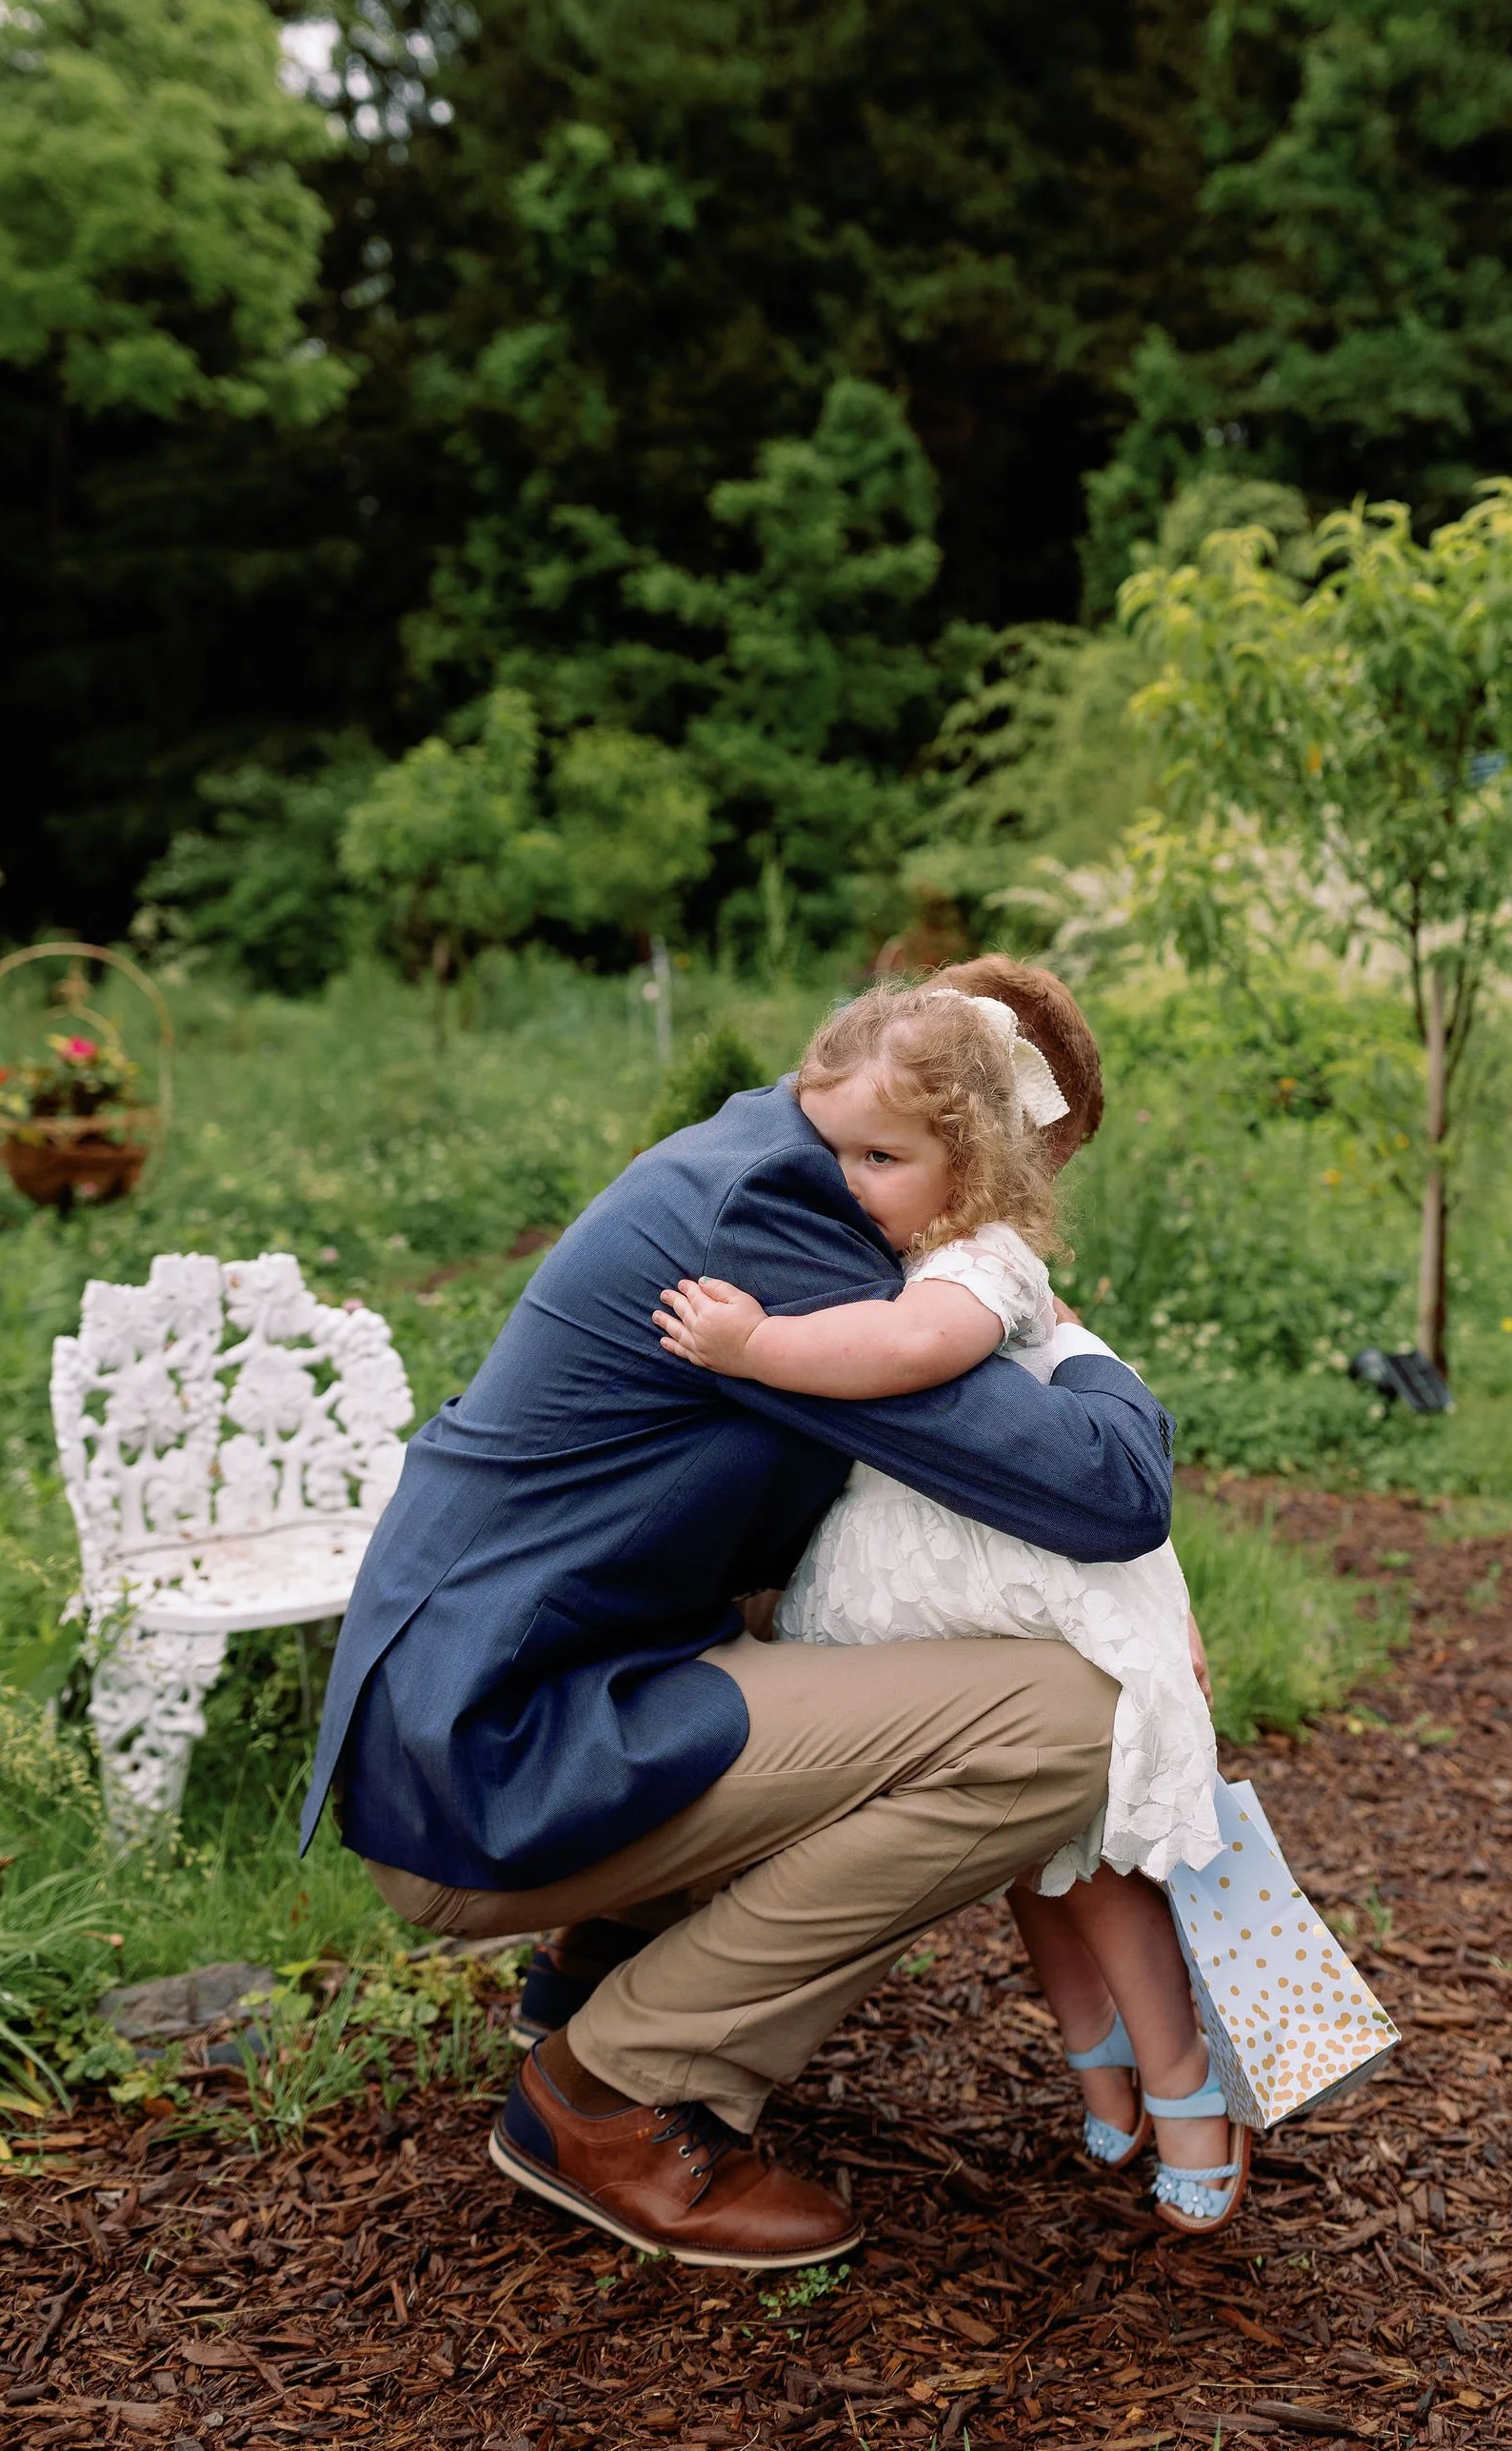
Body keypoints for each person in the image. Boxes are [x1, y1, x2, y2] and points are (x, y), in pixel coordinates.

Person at [298, 957, 1175, 2269]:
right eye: (1000, 1192)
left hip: (493, 1701)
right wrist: (1068, 1334)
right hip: (493, 1757)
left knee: (871, 1640)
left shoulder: (760, 1151)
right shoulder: (785, 1224)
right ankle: (613, 2093)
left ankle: (601, 1969)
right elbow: (1111, 1488)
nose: (987, 1231)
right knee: (1071, 1718)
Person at [655, 982, 1247, 2233]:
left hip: (1017, 1577)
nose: (849, 1181)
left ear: (968, 1162)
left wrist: (756, 1347)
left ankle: (1187, 2088)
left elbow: (914, 1352)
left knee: (1092, 1860)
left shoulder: (979, 1263)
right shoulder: (902, 1237)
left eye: (881, 1157)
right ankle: (1098, 2064)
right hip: (947, 1590)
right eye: (837, 1152)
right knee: (1030, 1856)